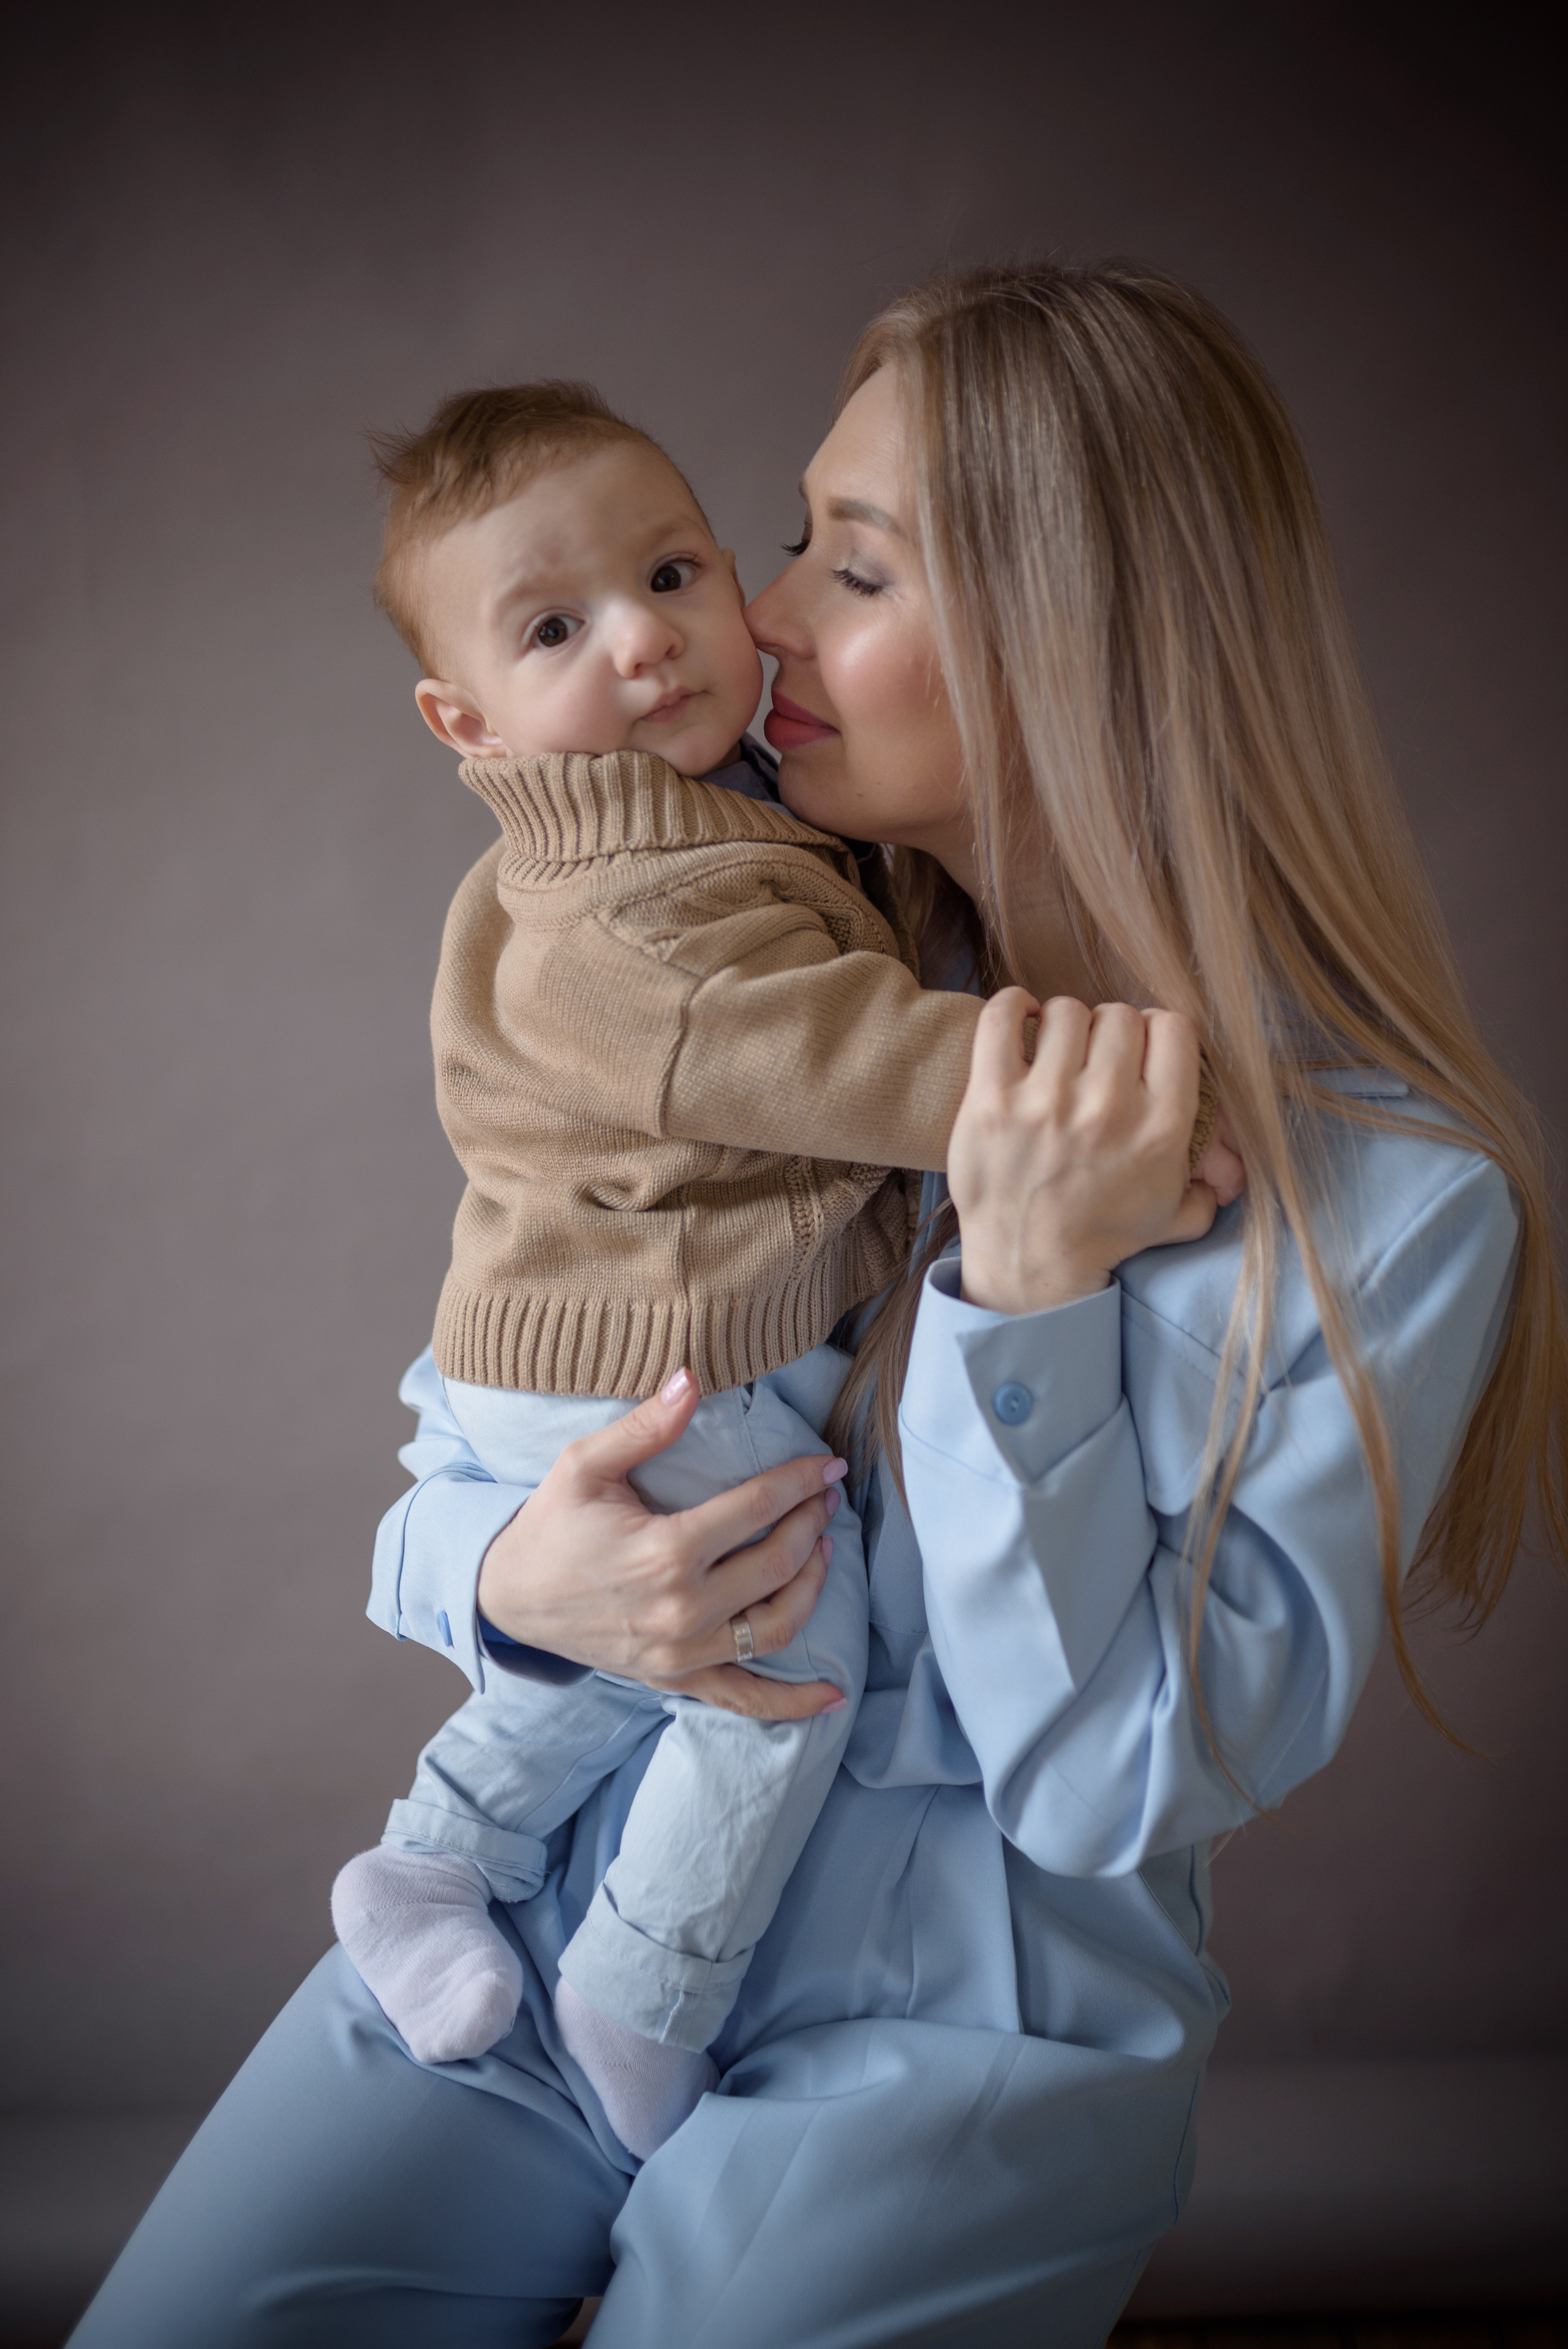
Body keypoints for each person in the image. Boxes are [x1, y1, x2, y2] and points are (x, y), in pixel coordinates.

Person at [70, 260, 1566, 2349]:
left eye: (846, 565)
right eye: (787, 533)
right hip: (540, 1939)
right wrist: (525, 1582)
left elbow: (1116, 1782)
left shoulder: (1396, 1203)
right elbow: (456, 1468)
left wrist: (1027, 1295)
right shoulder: (756, 983)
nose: (753, 617)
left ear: (1075, 646)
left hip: (951, 2048)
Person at [330, 380, 1232, 2156]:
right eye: (557, 629)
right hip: (620, 1352)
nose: (660, 645)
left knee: (637, 1638)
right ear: (467, 717)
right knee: (779, 1654)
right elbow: (835, 1045)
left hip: (651, 1354)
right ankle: (640, 1987)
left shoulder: (728, 810)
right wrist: (1073, 1101)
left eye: (676, 572)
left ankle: (433, 1860)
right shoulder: (615, 904)